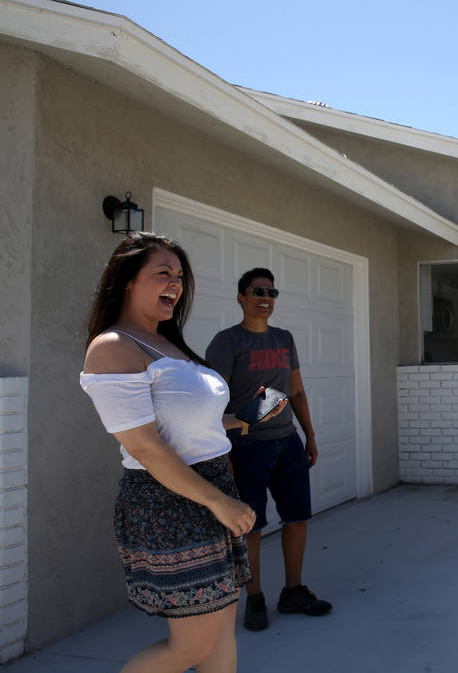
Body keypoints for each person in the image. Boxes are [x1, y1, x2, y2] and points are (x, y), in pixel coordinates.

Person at [80, 232, 286, 673]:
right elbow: (144, 446)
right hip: (168, 503)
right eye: (162, 273)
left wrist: (246, 417)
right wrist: (219, 502)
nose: (175, 283)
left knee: (219, 632)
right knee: (190, 646)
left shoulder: (167, 343)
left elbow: (192, 424)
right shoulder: (114, 347)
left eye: (179, 275)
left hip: (210, 489)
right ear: (128, 281)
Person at [205, 267, 331, 632]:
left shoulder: (284, 338)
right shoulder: (227, 342)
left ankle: (293, 591)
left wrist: (309, 435)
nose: (265, 298)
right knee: (252, 526)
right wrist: (223, 452)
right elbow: (212, 402)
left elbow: (296, 391)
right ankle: (255, 599)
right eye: (257, 291)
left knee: (297, 519)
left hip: (287, 441)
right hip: (246, 447)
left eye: (272, 292)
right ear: (241, 297)